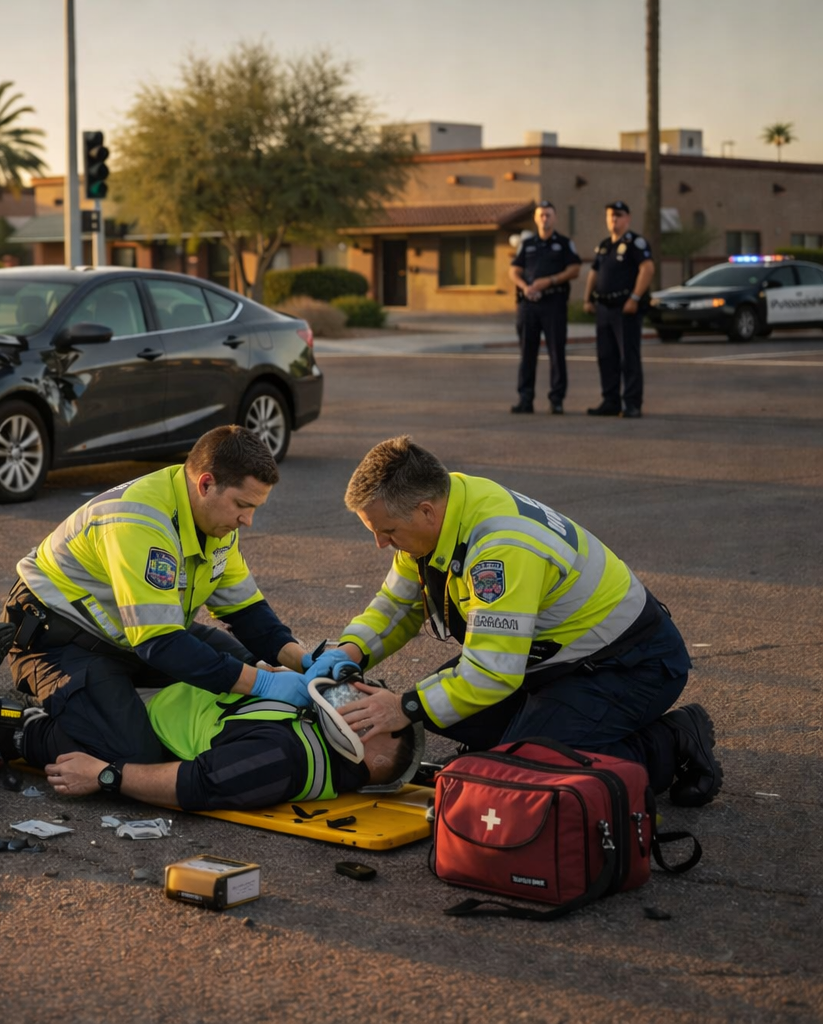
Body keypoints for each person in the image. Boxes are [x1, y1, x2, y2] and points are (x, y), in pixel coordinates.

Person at [307, 436, 722, 806]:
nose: (381, 543)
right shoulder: (445, 504)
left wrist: (404, 706)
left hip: (631, 665)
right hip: (551, 658)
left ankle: (673, 740)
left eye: (387, 531)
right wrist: (351, 650)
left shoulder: (499, 548)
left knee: (531, 773)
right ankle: (522, 742)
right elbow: (397, 606)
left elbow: (490, 675)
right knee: (455, 712)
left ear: (426, 511)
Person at [0, 426, 317, 775]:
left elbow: (248, 613)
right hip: (54, 640)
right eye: (242, 505)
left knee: (251, 666)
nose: (248, 520)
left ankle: (101, 705)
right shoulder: (139, 520)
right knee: (135, 758)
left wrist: (306, 662)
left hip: (131, 636)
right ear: (206, 484)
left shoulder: (214, 521)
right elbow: (160, 644)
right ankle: (21, 726)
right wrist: (263, 683)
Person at [43, 680, 417, 810]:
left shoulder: (283, 758)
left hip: (132, 719)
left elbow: (196, 783)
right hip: (159, 689)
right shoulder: (315, 723)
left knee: (38, 731)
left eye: (384, 719)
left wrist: (104, 775)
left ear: (377, 757)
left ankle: (21, 727)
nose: (375, 705)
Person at [582, 200, 655, 418]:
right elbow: (594, 272)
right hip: (604, 308)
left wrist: (634, 298)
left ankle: (632, 404)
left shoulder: (636, 243)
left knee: (628, 358)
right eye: (610, 215)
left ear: (628, 218)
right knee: (606, 357)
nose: (614, 219)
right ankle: (610, 401)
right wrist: (587, 299)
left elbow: (647, 269)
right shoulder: (605, 245)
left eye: (618, 215)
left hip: (625, 309)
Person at [508, 201, 582, 415]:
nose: (544, 218)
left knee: (556, 353)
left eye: (548, 215)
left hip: (553, 304)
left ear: (555, 217)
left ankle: (556, 399)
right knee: (527, 354)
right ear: (536, 218)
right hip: (528, 305)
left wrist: (549, 281)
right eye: (541, 215)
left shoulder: (564, 243)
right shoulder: (527, 243)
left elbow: (575, 269)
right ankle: (525, 399)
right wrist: (525, 287)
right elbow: (514, 270)